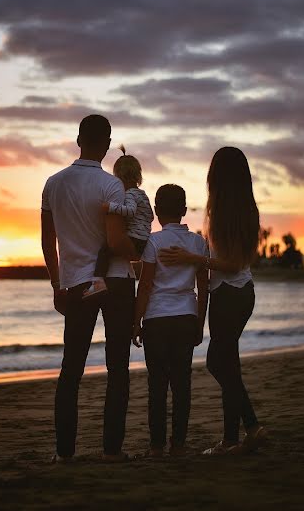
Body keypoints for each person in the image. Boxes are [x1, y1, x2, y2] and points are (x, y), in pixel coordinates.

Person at [158, 146, 268, 455]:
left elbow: (231, 263)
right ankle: (234, 439)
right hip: (243, 292)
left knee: (218, 364)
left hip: (229, 294)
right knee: (228, 364)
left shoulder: (223, 211)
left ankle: (250, 428)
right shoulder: (248, 209)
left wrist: (192, 258)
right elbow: (241, 261)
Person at [41, 115, 137, 463]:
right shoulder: (112, 187)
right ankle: (112, 451)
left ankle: (64, 453)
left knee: (71, 369)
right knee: (118, 368)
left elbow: (47, 241)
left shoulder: (53, 183)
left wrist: (56, 284)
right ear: (107, 144)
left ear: (78, 138)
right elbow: (114, 240)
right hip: (116, 282)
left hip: (76, 284)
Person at [131, 184, 208, 458]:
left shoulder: (153, 241)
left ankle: (156, 446)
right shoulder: (199, 243)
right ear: (184, 211)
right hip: (186, 316)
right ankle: (178, 445)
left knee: (157, 384)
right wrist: (200, 323)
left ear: (156, 211)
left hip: (157, 318)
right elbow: (203, 286)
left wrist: (136, 320)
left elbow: (146, 284)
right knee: (182, 383)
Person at [86, 146, 154, 298]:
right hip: (143, 240)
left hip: (134, 239)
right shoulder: (142, 195)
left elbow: (130, 211)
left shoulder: (129, 194)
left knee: (104, 251)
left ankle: (98, 281)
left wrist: (110, 207)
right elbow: (150, 215)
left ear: (118, 176)